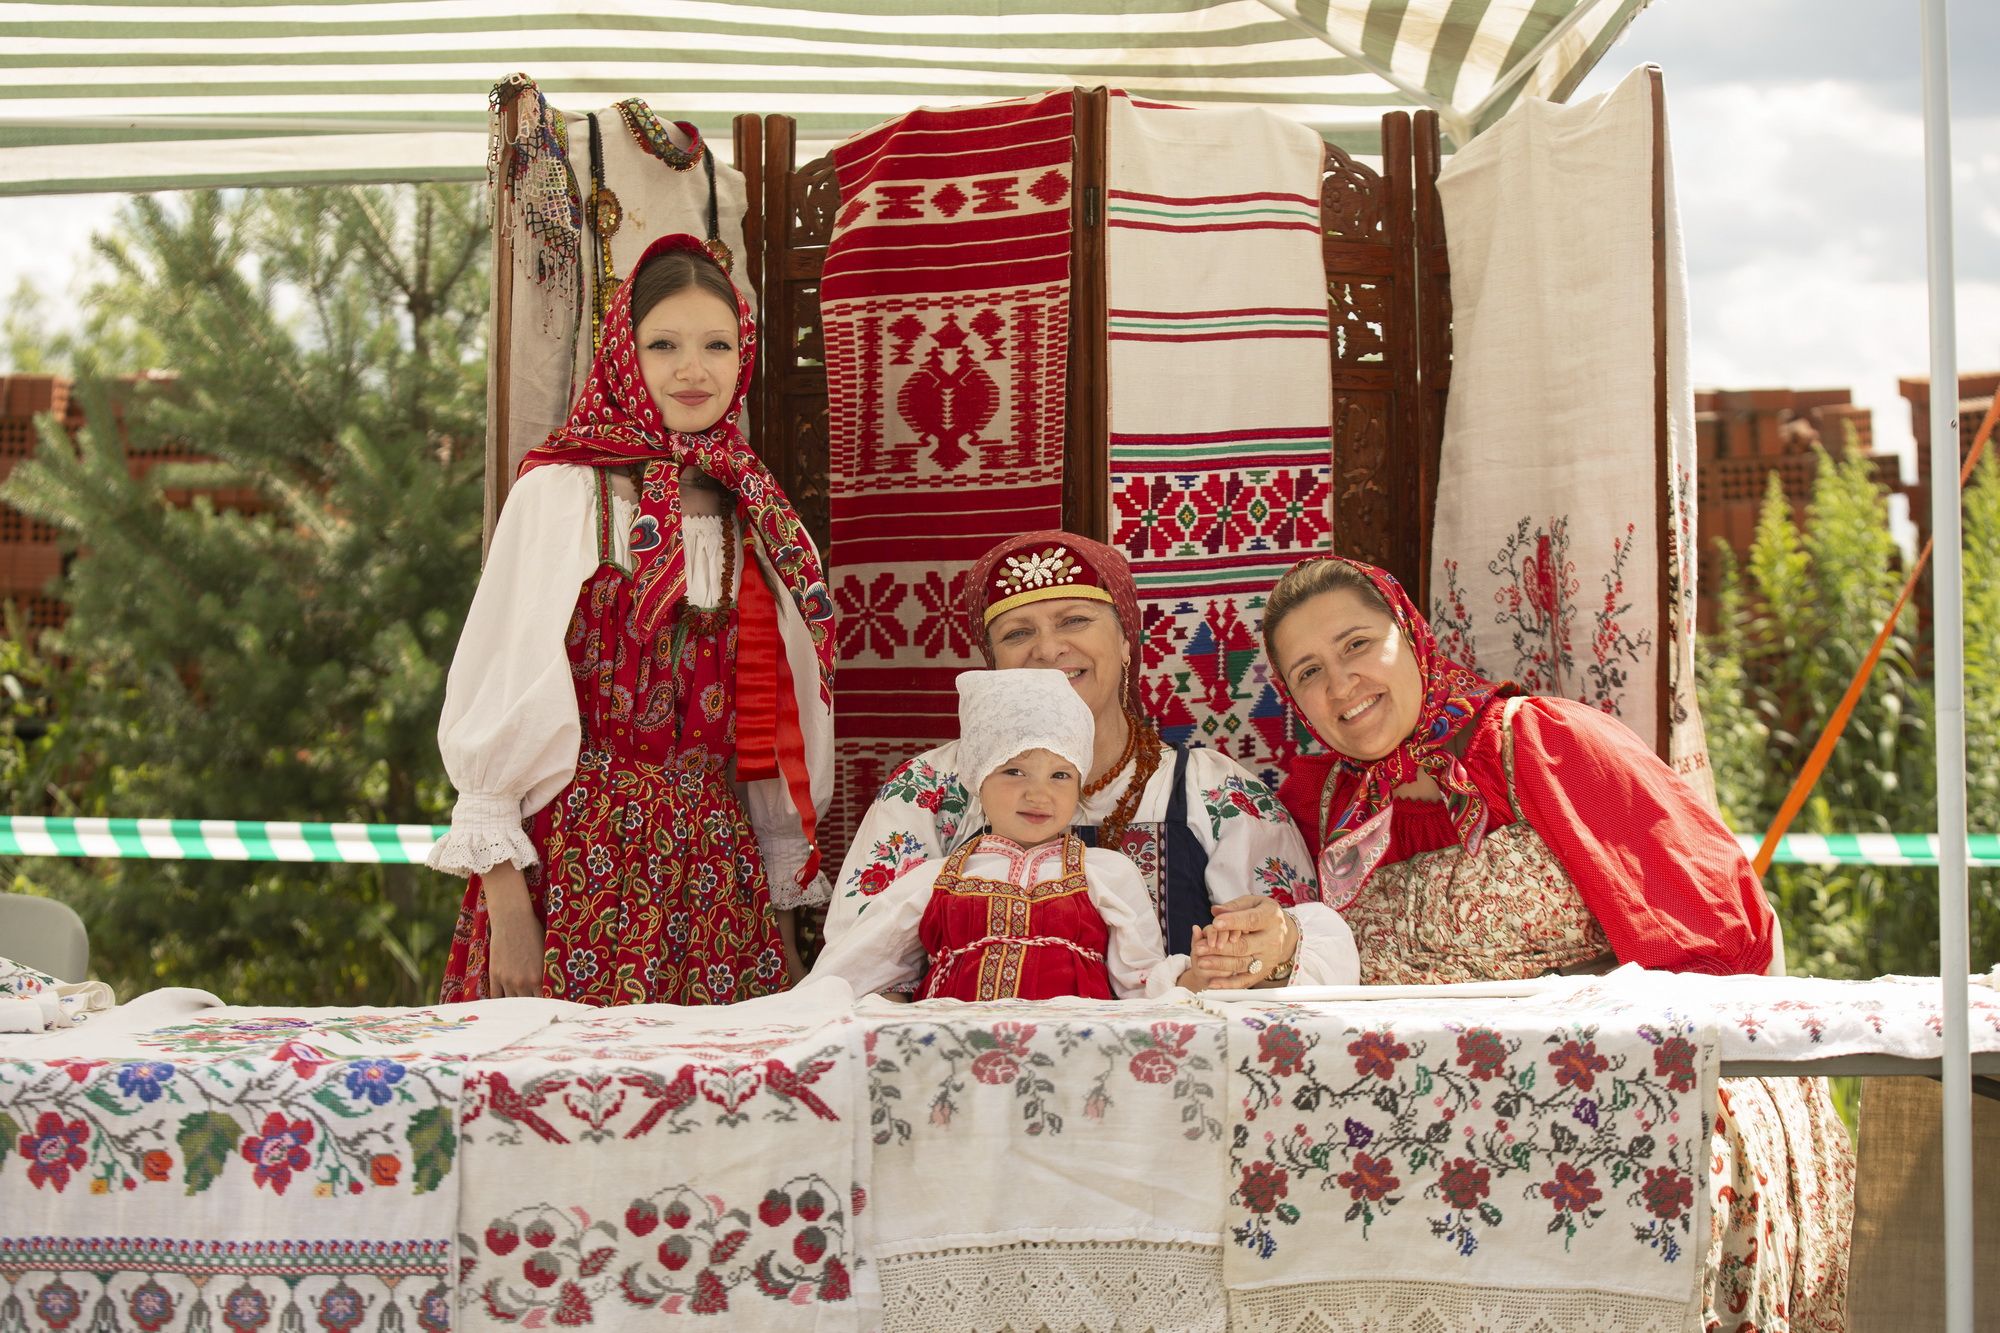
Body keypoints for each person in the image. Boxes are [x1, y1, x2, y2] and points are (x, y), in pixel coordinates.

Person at [1262, 554, 1851, 1329]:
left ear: (1409, 633)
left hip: (1615, 1098)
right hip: (1429, 1130)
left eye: (1356, 645)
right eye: (1307, 671)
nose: (1340, 685)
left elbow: (1719, 927)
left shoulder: (1537, 743)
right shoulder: (1321, 806)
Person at [428, 234, 834, 1007]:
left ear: (743, 354)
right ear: (625, 353)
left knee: (710, 1114)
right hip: (571, 860)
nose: (694, 368)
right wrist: (508, 903)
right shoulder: (562, 495)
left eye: (717, 344)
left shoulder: (762, 517)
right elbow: (501, 683)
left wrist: (778, 917)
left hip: (715, 874)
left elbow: (773, 729)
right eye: (665, 344)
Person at [825, 530, 1357, 990]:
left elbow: (1283, 955)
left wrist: (1253, 956)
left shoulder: (1215, 794)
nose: (1049, 649)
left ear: (1127, 642)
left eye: (1074, 620)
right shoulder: (930, 790)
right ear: (993, 664)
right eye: (1017, 633)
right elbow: (860, 967)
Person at [810, 670, 1200, 1000]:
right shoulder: (933, 879)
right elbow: (852, 971)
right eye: (1014, 771)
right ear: (978, 781)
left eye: (1060, 775)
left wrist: (1197, 977)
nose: (1038, 793)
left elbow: (1143, 983)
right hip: (954, 1053)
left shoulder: (1109, 873)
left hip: (1077, 1052)